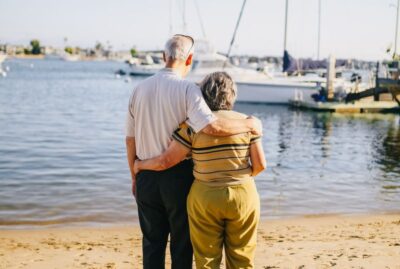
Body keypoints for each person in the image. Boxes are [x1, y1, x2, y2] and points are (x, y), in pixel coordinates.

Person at [125, 35, 263, 269]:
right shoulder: (189, 89)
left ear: (163, 57)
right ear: (189, 58)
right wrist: (250, 125)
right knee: (182, 245)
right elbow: (212, 126)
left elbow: (130, 140)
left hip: (146, 175)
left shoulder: (138, 89)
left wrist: (135, 174)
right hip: (179, 178)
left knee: (151, 244)